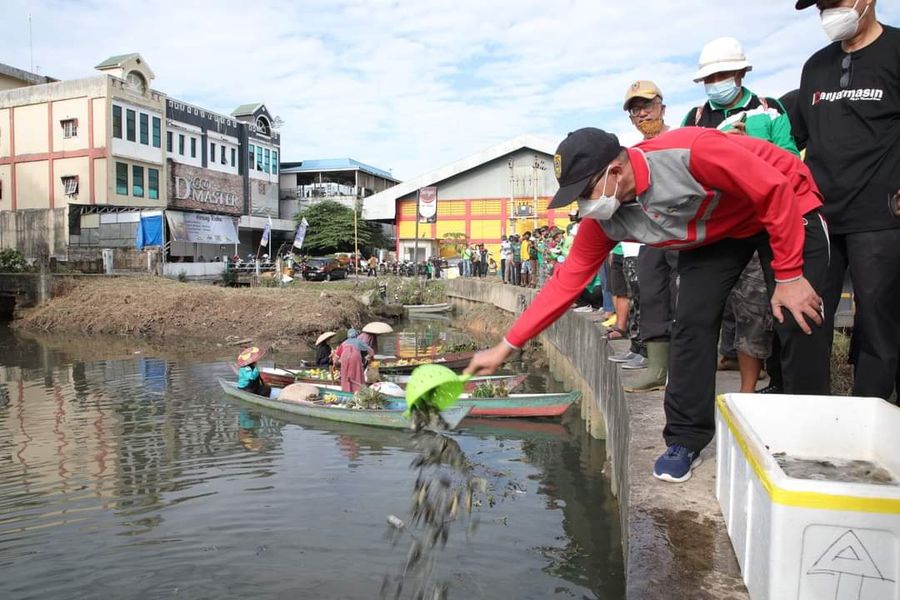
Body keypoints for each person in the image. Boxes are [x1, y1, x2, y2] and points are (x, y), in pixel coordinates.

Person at [466, 127, 829, 483]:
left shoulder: (690, 152)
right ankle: (685, 440)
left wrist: (789, 276)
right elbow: (565, 283)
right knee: (690, 323)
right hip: (721, 232)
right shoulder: (605, 220)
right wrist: (506, 345)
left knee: (797, 315)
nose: (584, 206)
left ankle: (812, 440)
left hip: (784, 200)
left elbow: (773, 188)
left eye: (585, 193)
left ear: (615, 171)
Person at [793, 0, 900, 400]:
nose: (827, 12)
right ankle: (809, 408)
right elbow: (797, 138)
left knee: (877, 321)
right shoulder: (815, 66)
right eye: (821, 6)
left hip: (881, 215)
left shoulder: (895, 50)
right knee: (807, 319)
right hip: (820, 218)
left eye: (834, 3)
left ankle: (867, 411)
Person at [683, 38, 799, 394]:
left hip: (758, 224)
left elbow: (791, 161)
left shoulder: (769, 111)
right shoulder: (697, 118)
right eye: (710, 77)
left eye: (723, 74)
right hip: (715, 229)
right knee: (700, 315)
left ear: (742, 72)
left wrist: (751, 145)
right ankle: (695, 394)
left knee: (754, 311)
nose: (716, 82)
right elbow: (683, 167)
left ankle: (748, 391)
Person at [611, 80, 678, 389]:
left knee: (686, 297)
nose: (642, 115)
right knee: (651, 294)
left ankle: (682, 367)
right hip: (654, 235)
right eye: (635, 111)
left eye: (647, 107)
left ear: (661, 107)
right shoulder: (634, 153)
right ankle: (657, 368)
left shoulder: (681, 139)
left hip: (687, 232)